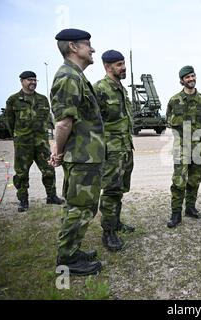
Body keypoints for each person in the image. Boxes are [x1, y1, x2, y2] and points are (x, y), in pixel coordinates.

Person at [49, 28, 105, 276]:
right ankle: (68, 259)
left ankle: (72, 249)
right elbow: (63, 122)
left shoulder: (76, 76)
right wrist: (57, 152)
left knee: (80, 206)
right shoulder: (70, 78)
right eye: (88, 45)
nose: (92, 49)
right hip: (82, 157)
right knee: (80, 208)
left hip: (86, 156)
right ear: (73, 47)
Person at [94, 50, 135, 252]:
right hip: (111, 151)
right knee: (110, 191)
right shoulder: (100, 89)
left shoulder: (121, 89)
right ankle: (108, 233)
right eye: (119, 64)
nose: (123, 67)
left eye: (123, 63)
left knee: (119, 189)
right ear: (107, 67)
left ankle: (116, 223)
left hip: (125, 148)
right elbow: (91, 123)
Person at [5, 71, 63, 212]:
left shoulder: (43, 99)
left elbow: (48, 120)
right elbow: (9, 122)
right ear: (22, 81)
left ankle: (51, 196)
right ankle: (23, 201)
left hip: (41, 143)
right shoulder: (13, 100)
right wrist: (19, 135)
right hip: (23, 144)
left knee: (49, 170)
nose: (33, 82)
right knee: (22, 173)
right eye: (30, 80)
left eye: (35, 80)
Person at [165, 65, 201, 228]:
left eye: (192, 76)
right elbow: (169, 122)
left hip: (198, 147)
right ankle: (175, 214)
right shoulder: (174, 101)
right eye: (187, 77)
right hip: (181, 148)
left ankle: (190, 208)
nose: (191, 79)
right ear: (181, 81)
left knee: (195, 180)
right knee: (179, 182)